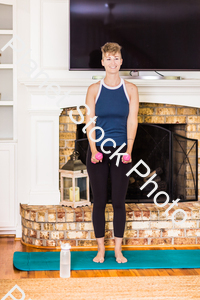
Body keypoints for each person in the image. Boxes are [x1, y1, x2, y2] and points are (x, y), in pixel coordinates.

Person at [85, 42, 139, 263]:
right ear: (102, 62)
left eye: (116, 58)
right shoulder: (94, 89)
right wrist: (94, 150)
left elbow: (132, 120)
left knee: (118, 200)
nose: (113, 62)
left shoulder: (131, 89)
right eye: (108, 58)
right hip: (98, 150)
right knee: (99, 201)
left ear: (121, 61)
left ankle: (118, 249)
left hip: (121, 152)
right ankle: (101, 250)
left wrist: (128, 150)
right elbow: (89, 121)